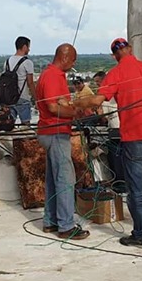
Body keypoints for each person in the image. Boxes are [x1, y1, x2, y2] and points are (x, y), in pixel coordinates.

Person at [72, 37, 142, 248]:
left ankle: (141, 235)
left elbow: (98, 101)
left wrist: (77, 103)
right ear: (130, 49)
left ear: (115, 55)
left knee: (135, 190)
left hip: (135, 139)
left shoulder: (115, 74)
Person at [35, 43, 89, 240]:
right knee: (65, 179)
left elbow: (59, 104)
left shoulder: (52, 75)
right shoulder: (52, 76)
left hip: (51, 132)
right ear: (65, 57)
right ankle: (66, 226)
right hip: (55, 133)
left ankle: (51, 221)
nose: (73, 64)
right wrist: (76, 112)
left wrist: (70, 109)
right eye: (73, 60)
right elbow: (52, 107)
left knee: (53, 178)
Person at [5, 36, 36, 124]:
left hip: (9, 98)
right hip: (22, 97)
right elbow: (30, 83)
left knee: (10, 124)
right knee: (26, 126)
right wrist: (36, 99)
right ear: (25, 47)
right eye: (28, 47)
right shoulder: (27, 62)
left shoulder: (7, 61)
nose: (29, 50)